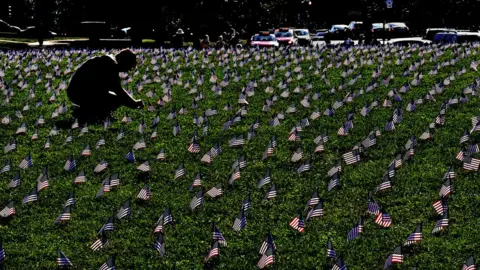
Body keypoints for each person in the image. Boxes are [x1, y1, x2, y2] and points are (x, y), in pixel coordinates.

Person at [66, 48, 144, 124]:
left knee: (106, 94)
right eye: (129, 67)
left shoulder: (109, 61)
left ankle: (90, 112)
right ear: (125, 62)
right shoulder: (111, 66)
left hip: (76, 91)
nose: (128, 70)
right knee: (116, 100)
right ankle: (89, 114)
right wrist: (134, 103)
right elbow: (119, 92)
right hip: (78, 92)